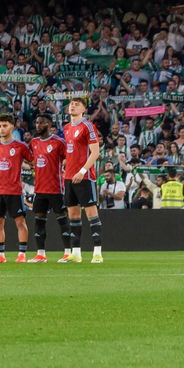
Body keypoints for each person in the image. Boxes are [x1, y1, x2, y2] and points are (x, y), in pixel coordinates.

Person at [62, 97, 104, 263]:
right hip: (69, 177)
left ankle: (97, 253)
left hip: (85, 176)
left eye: (77, 104)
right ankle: (76, 253)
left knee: (91, 213)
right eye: (71, 104)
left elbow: (95, 152)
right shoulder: (66, 128)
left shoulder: (87, 126)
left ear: (84, 109)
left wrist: (82, 171)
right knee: (73, 214)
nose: (73, 106)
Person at [0, 113, 32, 263]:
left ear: (12, 127)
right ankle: (0, 255)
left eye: (5, 126)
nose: (2, 129)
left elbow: (33, 161)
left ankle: (22, 254)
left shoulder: (20, 146)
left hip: (14, 190)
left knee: (20, 222)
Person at [28, 113, 70, 263]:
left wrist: (63, 169)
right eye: (37, 123)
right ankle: (41, 254)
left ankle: (67, 253)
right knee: (39, 221)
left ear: (49, 124)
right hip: (39, 189)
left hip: (56, 189)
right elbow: (31, 159)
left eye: (41, 123)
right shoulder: (33, 142)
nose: (38, 125)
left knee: (62, 220)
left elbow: (68, 158)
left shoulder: (59, 142)